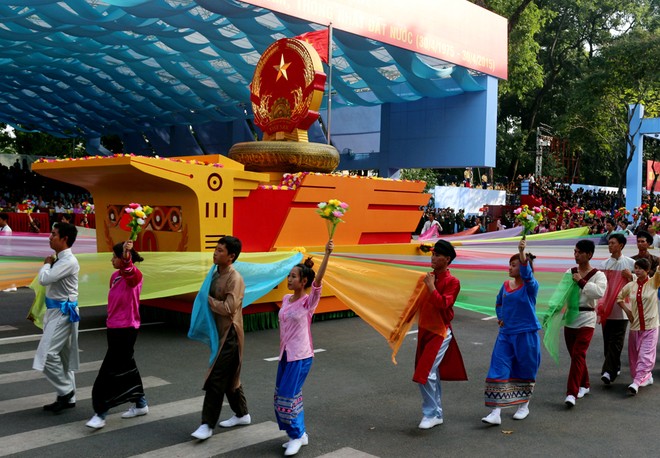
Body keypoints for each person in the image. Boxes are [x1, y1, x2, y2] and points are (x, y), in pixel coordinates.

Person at [275, 239, 333, 456]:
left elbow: (318, 281)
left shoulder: (309, 302)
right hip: (285, 355)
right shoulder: (286, 299)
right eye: (289, 275)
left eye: (293, 276)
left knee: (289, 396)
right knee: (282, 396)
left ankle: (297, 436)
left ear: (303, 281)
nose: (289, 279)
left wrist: (327, 254)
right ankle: (298, 433)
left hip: (301, 356)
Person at [191, 236, 250, 441]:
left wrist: (206, 300)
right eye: (215, 249)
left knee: (216, 378)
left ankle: (207, 424)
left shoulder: (235, 279)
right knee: (230, 378)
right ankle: (242, 414)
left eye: (220, 250)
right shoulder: (215, 275)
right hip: (220, 334)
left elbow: (228, 308)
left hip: (231, 335)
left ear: (231, 256)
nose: (215, 253)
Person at [86, 240, 148, 429]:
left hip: (127, 328)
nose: (112, 260)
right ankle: (141, 403)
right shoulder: (114, 276)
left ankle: (101, 411)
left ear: (123, 258)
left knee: (109, 371)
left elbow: (130, 271)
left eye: (115, 256)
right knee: (127, 365)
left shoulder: (135, 276)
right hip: (113, 327)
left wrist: (126, 255)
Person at [482, 238, 540, 425]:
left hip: (526, 333)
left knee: (526, 368)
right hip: (505, 334)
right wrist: (500, 317)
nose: (510, 268)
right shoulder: (505, 286)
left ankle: (523, 406)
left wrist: (522, 252)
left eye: (513, 265)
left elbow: (527, 274)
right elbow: (499, 302)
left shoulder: (531, 287)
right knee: (498, 368)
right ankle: (495, 412)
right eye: (510, 264)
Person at [413, 240, 467, 430]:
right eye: (432, 254)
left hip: (441, 332)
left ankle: (431, 413)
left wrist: (431, 287)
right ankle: (436, 413)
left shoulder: (453, 282)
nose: (433, 258)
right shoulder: (427, 277)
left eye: (437, 255)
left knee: (425, 373)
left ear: (447, 259)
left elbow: (444, 304)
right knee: (431, 373)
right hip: (425, 331)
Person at [33, 222, 80, 413]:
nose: (50, 237)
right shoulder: (60, 260)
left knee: (47, 354)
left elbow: (44, 279)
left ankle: (66, 390)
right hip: (57, 311)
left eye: (53, 234)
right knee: (63, 356)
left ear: (64, 239)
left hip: (63, 312)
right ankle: (68, 397)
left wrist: (45, 265)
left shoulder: (68, 261)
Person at [561, 240, 607, 407]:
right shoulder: (569, 272)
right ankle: (584, 384)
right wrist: (552, 312)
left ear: (589, 254)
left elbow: (599, 292)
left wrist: (581, 281)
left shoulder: (598, 275)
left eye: (579, 252)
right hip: (571, 316)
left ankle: (571, 393)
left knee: (579, 353)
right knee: (575, 355)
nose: (576, 255)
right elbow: (561, 293)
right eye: (575, 252)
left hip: (587, 317)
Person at [616, 258, 660, 395]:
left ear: (647, 271)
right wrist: (628, 311)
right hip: (635, 327)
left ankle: (636, 382)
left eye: (641, 268)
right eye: (636, 268)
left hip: (651, 326)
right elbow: (619, 298)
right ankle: (645, 377)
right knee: (634, 357)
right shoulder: (631, 286)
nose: (638, 270)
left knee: (645, 355)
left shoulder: (654, 282)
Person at [598, 233, 635, 385]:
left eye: (613, 243)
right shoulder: (604, 264)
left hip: (623, 308)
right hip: (607, 307)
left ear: (621, 245)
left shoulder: (630, 263)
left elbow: (642, 281)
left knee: (617, 341)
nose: (610, 245)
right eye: (609, 243)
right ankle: (615, 365)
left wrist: (631, 276)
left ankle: (608, 372)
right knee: (608, 340)